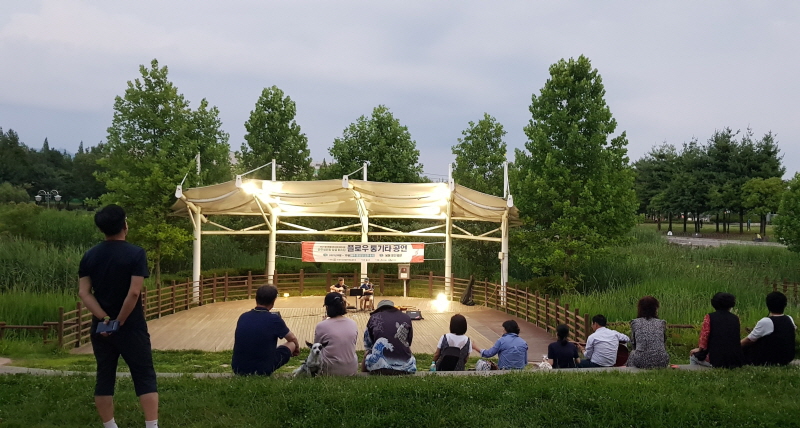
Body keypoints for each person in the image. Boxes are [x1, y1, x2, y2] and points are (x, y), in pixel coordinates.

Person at [78, 204, 159, 428]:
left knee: (105, 376)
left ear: (102, 229)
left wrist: (105, 319)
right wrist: (119, 321)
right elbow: (134, 292)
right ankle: (151, 425)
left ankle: (110, 425)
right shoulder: (136, 253)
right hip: (131, 325)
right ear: (125, 225)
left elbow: (84, 293)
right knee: (144, 374)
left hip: (101, 328)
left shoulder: (89, 255)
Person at [231, 285, 300, 375]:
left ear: (256, 298)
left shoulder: (243, 317)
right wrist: (297, 349)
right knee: (291, 344)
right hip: (263, 369)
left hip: (238, 368)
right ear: (273, 301)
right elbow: (292, 338)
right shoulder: (274, 319)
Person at [689, 292, 744, 368]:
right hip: (735, 359)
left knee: (693, 356)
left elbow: (704, 337)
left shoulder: (709, 317)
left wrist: (700, 349)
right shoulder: (735, 318)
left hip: (716, 359)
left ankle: (695, 372)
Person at [741, 291, 797, 366]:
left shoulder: (766, 321)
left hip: (769, 359)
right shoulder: (789, 318)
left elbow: (749, 340)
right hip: (787, 357)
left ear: (768, 305)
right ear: (785, 305)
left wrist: (735, 346)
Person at [363, 300, 416, 375]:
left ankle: (363, 374)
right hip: (406, 368)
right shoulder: (406, 317)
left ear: (379, 310)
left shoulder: (374, 317)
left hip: (379, 368)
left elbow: (368, 345)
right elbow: (408, 342)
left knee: (367, 354)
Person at [314, 292, 359, 376]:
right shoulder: (353, 323)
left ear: (327, 307)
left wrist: (324, 322)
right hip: (351, 369)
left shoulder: (321, 326)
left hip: (329, 370)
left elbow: (316, 347)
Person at [626, 296, 669, 369]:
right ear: (655, 309)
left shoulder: (635, 323)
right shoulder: (661, 323)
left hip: (641, 360)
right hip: (662, 360)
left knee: (632, 354)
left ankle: (631, 371)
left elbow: (633, 343)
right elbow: (663, 341)